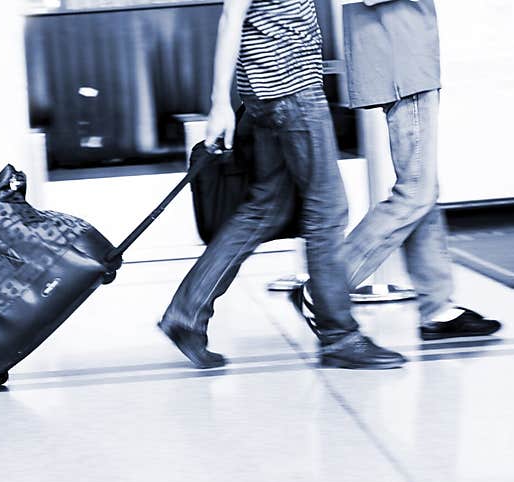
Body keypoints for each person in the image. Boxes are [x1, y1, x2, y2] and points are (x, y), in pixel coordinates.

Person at [159, 0, 405, 370]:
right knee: (327, 208)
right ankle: (340, 335)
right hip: (290, 91)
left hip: (272, 90)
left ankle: (187, 313)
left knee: (265, 208)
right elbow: (232, 17)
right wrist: (218, 106)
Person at [293, 0, 501, 341]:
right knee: (416, 190)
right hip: (401, 59)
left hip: (403, 55)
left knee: (422, 189)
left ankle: (437, 307)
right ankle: (325, 289)